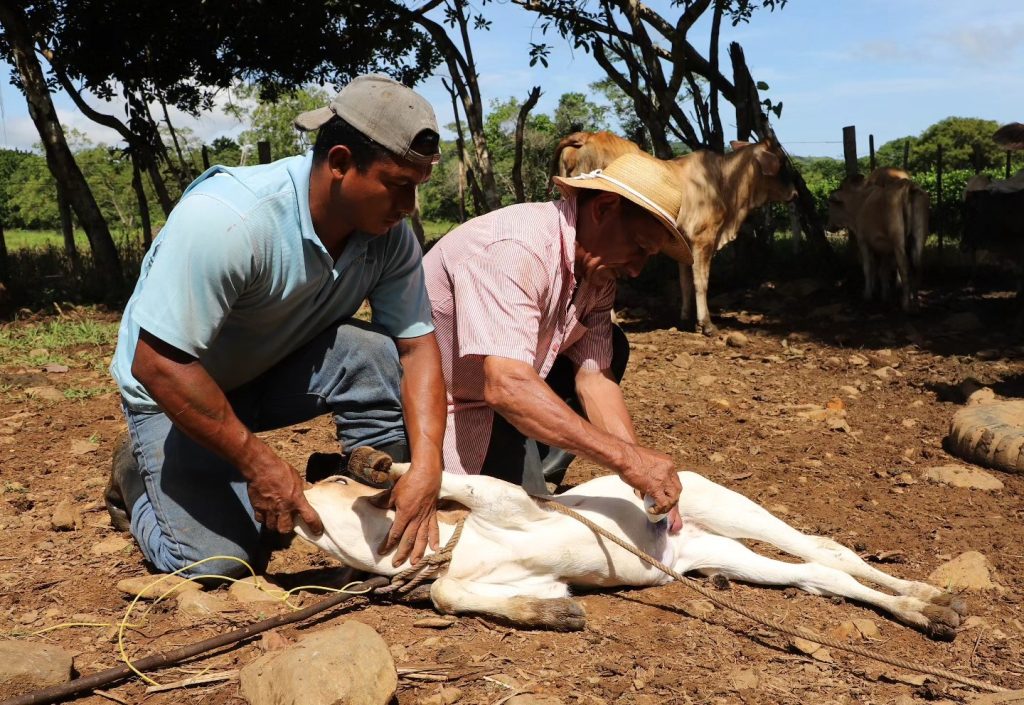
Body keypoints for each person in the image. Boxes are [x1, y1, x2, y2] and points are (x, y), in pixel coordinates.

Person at [105, 75, 447, 578]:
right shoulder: (231, 220)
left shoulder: (389, 237)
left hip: (267, 370)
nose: (408, 207)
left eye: (417, 188)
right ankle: (136, 480)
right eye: (398, 186)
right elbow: (157, 363)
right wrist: (258, 462)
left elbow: (418, 352)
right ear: (340, 164)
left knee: (373, 353)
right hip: (174, 391)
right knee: (217, 565)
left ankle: (376, 501)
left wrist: (427, 467)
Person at [422, 152, 685, 521]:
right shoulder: (517, 249)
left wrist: (643, 480)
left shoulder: (596, 271)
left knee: (613, 347)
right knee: (508, 528)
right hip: (429, 404)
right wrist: (627, 460)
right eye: (639, 247)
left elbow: (594, 379)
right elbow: (507, 387)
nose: (638, 269)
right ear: (604, 208)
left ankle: (533, 467)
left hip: (493, 399)